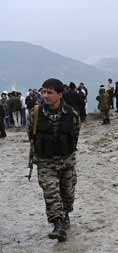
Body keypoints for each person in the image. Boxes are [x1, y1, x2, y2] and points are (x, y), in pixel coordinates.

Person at [28, 78, 80, 242]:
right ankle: (57, 224)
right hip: (45, 163)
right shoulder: (35, 114)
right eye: (43, 92)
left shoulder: (72, 114)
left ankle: (65, 213)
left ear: (60, 94)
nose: (45, 95)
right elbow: (31, 135)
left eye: (49, 92)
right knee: (51, 193)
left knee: (68, 194)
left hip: (67, 162)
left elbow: (75, 134)